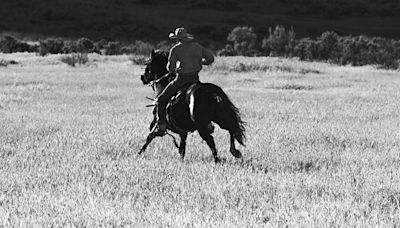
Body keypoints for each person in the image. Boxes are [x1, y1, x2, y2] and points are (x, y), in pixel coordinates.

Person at [151, 27, 215, 136]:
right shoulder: (197, 47)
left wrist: (175, 68)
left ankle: (161, 126)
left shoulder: (175, 49)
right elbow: (210, 59)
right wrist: (200, 61)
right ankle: (208, 124)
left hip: (181, 79)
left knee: (161, 100)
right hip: (195, 79)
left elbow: (170, 69)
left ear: (177, 39)